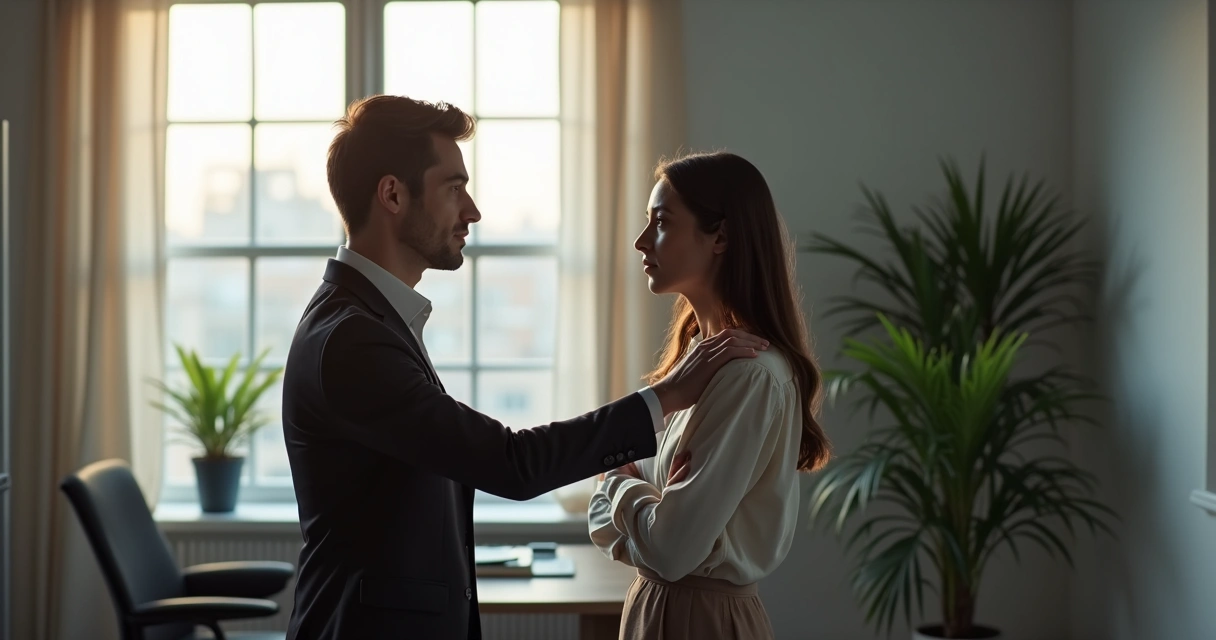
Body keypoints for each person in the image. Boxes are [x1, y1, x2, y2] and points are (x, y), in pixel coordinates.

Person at [280, 95, 769, 640]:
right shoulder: (352, 338)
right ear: (392, 194)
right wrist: (665, 397)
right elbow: (510, 463)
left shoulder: (367, 321)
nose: (472, 210)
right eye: (453, 187)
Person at [588, 151, 832, 639]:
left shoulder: (751, 378)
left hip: (700, 623)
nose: (640, 242)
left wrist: (618, 480)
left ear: (720, 236)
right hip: (658, 607)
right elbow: (603, 526)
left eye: (661, 223)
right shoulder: (695, 366)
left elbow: (672, 550)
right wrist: (649, 509)